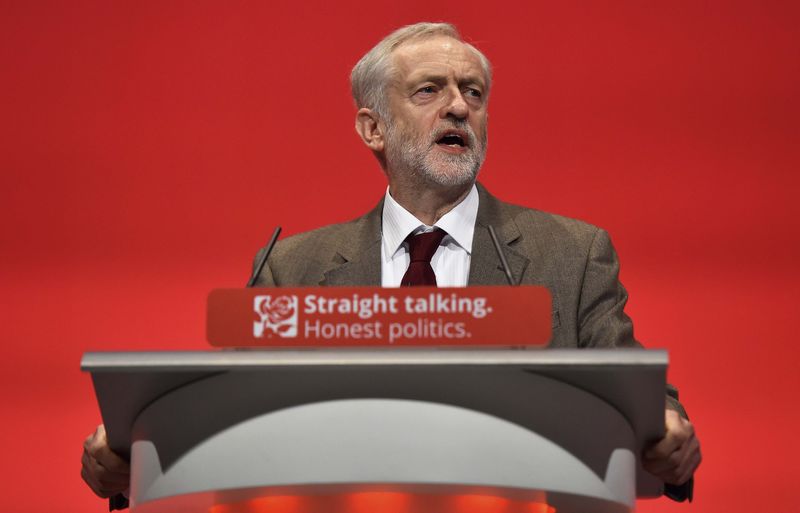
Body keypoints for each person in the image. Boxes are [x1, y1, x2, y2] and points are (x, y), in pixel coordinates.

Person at [82, 22, 701, 507]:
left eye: (473, 93)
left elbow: (645, 403)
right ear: (373, 128)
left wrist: (669, 432)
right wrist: (127, 454)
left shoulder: (571, 252)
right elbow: (227, 419)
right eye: (430, 90)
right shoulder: (294, 267)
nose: (459, 108)